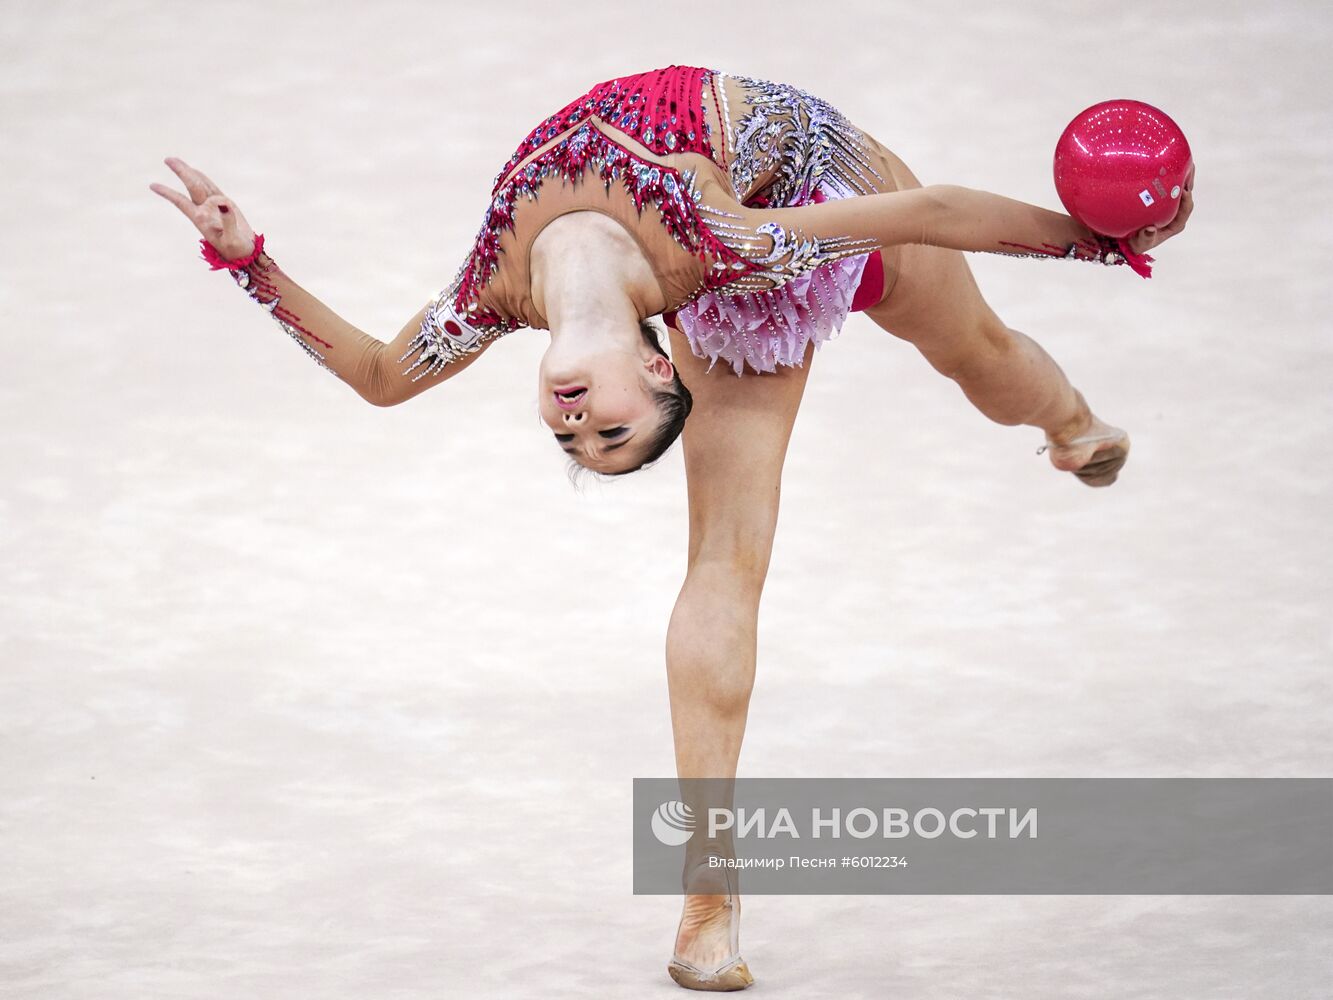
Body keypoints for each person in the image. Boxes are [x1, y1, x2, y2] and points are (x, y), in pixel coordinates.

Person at [151, 64, 1192, 991]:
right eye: (611, 432)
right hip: (820, 205)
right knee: (735, 554)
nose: (576, 422)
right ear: (662, 367)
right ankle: (707, 902)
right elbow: (921, 209)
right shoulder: (714, 244)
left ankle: (1070, 424)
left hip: (790, 183)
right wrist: (1093, 246)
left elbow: (381, 377)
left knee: (979, 356)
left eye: (574, 435)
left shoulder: (492, 291)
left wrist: (249, 262)